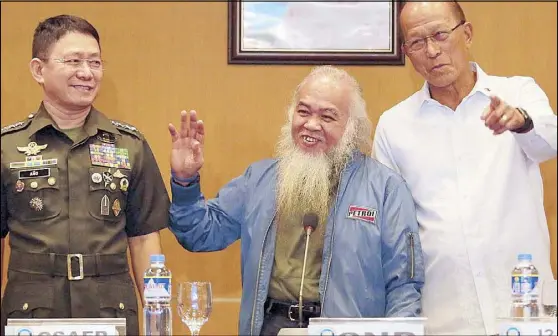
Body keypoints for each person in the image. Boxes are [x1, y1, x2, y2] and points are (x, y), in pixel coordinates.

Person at [167, 65, 425, 335]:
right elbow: (199, 233)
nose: (311, 124)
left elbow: (404, 285)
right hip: (270, 326)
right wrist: (185, 181)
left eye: (327, 116)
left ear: (352, 127)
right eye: (303, 112)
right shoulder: (260, 179)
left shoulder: (385, 189)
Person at [373, 2, 557, 335]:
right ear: (406, 53)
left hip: (526, 308)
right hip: (445, 315)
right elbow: (392, 226)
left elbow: (549, 143)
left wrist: (521, 122)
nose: (431, 51)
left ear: (467, 33)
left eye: (440, 34)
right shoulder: (394, 125)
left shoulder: (517, 92)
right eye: (417, 42)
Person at [0, 15, 169, 335]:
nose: (86, 73)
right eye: (74, 60)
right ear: (38, 69)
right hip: (31, 315)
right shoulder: (8, 147)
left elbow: (146, 240)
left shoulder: (130, 145)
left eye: (95, 62)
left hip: (110, 312)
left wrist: (157, 320)